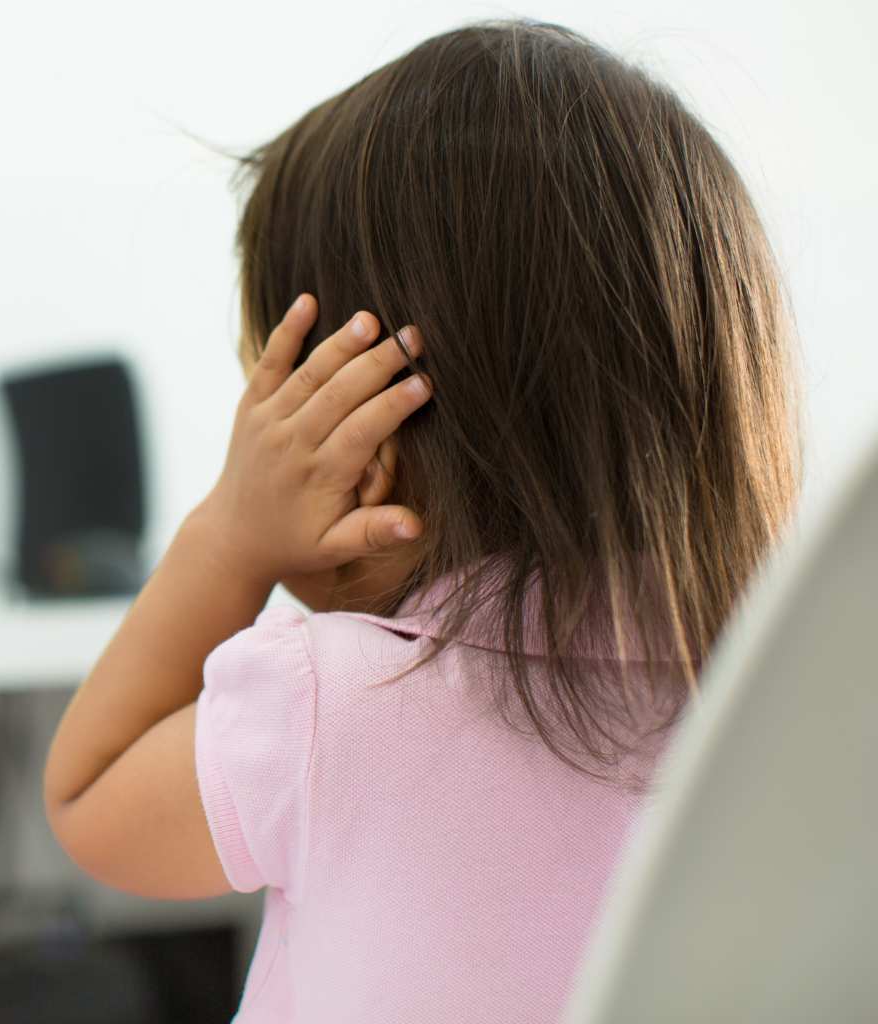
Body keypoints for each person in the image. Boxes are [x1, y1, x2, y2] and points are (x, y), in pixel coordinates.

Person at [44, 18, 804, 1023]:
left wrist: (232, 534)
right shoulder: (777, 713)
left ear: (374, 451)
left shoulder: (331, 705)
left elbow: (88, 798)